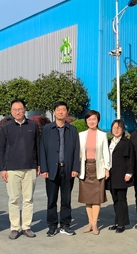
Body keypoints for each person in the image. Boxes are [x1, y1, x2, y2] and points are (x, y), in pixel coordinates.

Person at [0, 99, 40, 239]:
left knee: (28, 199)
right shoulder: (6, 127)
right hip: (12, 168)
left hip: (30, 167)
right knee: (14, 199)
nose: (17, 112)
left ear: (24, 110)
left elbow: (37, 146)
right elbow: (2, 149)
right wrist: (2, 168)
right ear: (11, 111)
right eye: (14, 109)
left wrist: (39, 164)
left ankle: (26, 227)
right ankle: (15, 227)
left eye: (20, 109)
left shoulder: (33, 126)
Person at [39, 101, 80, 237]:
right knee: (51, 200)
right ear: (54, 112)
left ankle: (65, 225)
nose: (61, 112)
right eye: (58, 109)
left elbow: (76, 150)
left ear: (67, 112)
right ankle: (52, 226)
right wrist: (44, 169)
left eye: (63, 109)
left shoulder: (72, 130)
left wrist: (75, 167)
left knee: (66, 200)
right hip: (51, 169)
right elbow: (42, 149)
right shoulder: (47, 129)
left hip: (67, 169)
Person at [77, 110, 110, 235]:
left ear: (98, 120)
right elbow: (78, 153)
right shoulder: (81, 135)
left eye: (94, 119)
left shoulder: (102, 135)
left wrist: (107, 168)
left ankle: (95, 223)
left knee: (96, 198)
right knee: (87, 198)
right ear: (86, 121)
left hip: (98, 168)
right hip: (85, 168)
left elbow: (106, 153)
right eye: (89, 119)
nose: (91, 121)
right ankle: (90, 222)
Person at [107, 119, 134, 233]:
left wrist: (129, 173)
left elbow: (131, 159)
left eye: (119, 128)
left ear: (123, 130)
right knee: (115, 199)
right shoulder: (108, 142)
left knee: (122, 199)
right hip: (111, 175)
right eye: (114, 128)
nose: (116, 130)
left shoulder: (126, 142)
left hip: (122, 174)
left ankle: (122, 224)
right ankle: (117, 221)